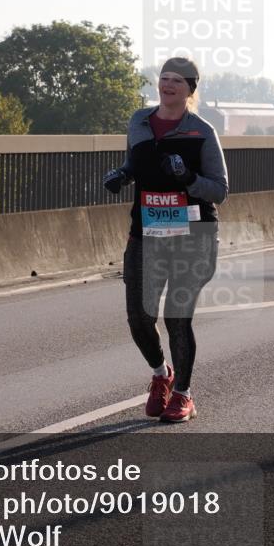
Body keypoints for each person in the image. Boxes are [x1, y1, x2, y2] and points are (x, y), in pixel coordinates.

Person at [102, 57, 228, 423]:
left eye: (176, 80)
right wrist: (122, 176)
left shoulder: (202, 131)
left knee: (177, 315)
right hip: (147, 232)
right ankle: (161, 375)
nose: (167, 85)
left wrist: (188, 178)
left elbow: (220, 190)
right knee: (138, 317)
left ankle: (184, 395)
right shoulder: (139, 121)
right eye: (163, 78)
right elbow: (136, 164)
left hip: (194, 235)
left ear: (190, 89)